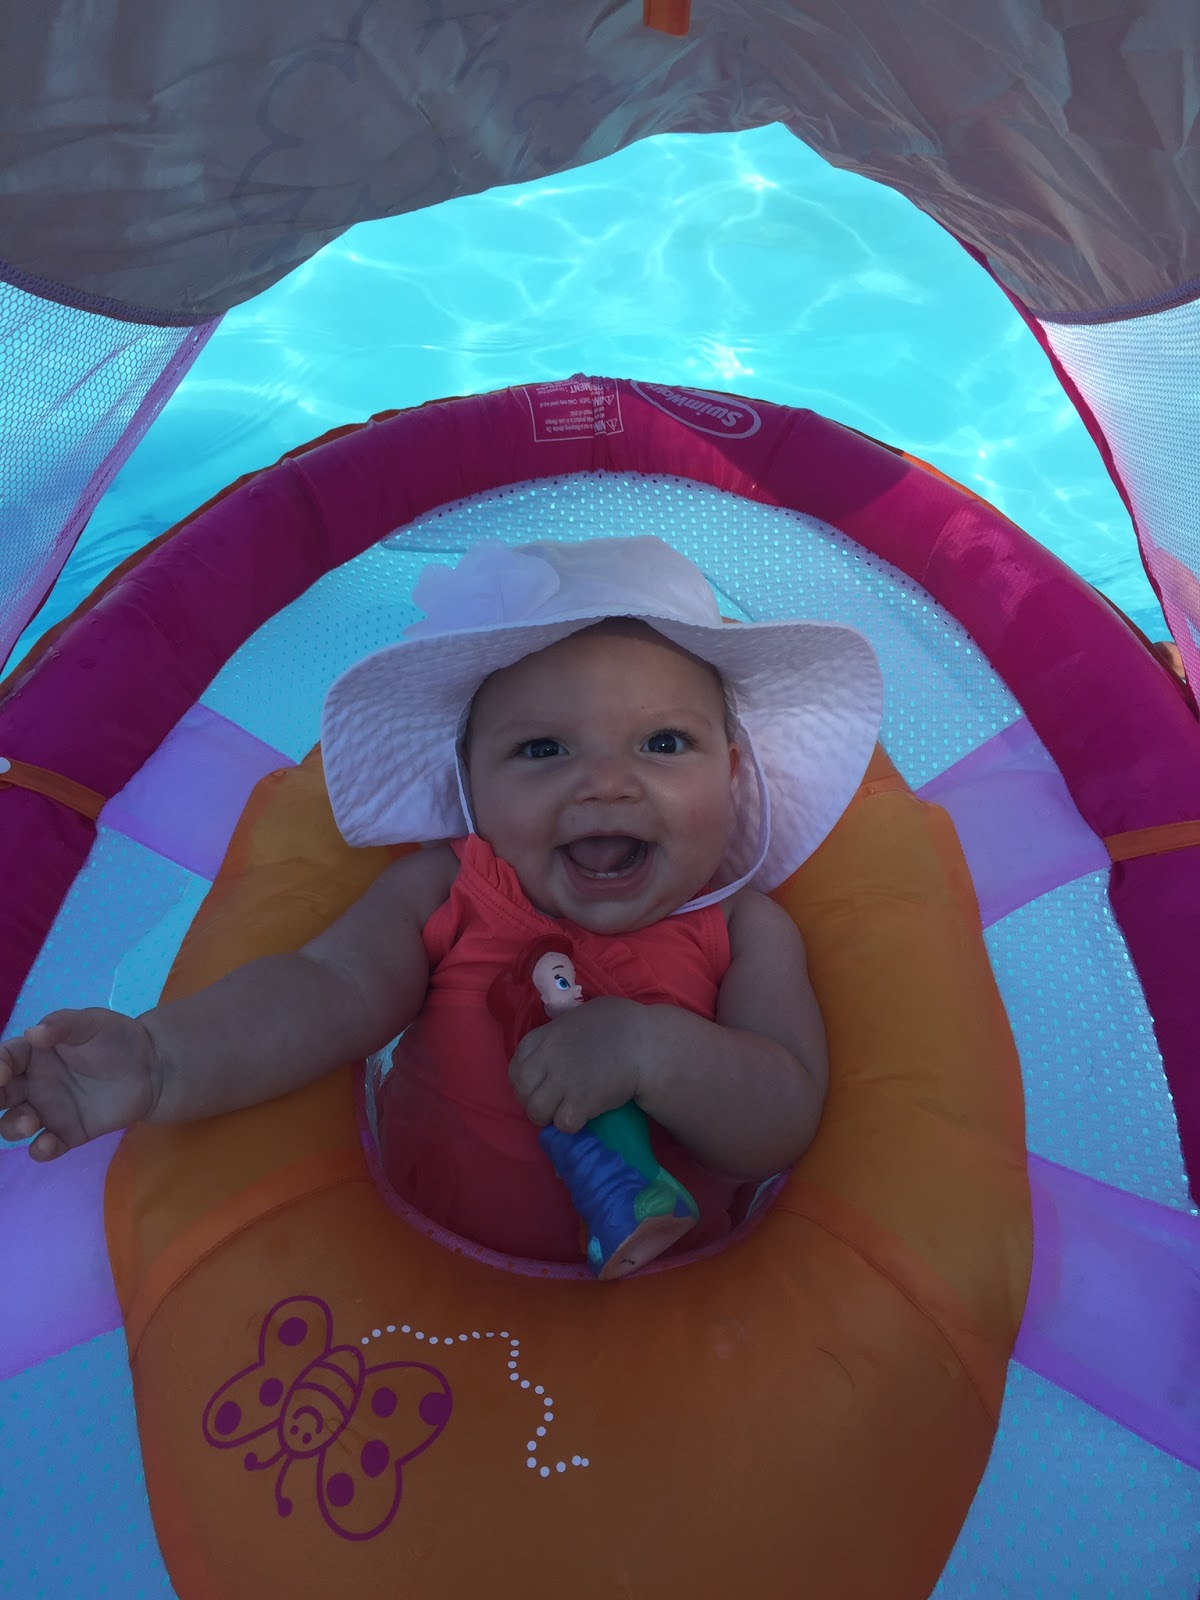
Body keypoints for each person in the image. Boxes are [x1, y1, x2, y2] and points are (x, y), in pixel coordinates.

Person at [0, 536, 883, 1264]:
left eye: (664, 743)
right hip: (417, 1280)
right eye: (543, 749)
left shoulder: (745, 931)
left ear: (732, 774)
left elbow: (781, 1121)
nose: (607, 783)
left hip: (684, 1322)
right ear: (468, 784)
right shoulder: (446, 889)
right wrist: (160, 1058)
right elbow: (325, 991)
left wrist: (654, 1050)